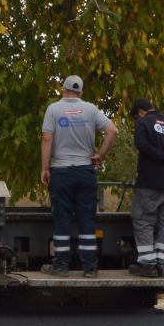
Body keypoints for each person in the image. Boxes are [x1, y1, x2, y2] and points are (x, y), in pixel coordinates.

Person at [40, 75, 118, 277]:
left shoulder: (54, 109)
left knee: (62, 219)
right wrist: (99, 155)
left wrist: (45, 168)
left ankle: (61, 266)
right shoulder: (90, 109)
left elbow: (47, 139)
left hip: (61, 172)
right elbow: (112, 130)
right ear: (81, 93)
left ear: (63, 90)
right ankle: (90, 268)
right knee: (86, 220)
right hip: (85, 171)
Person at [130, 97, 164, 277]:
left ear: (140, 112)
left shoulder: (143, 122)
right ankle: (162, 265)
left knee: (142, 218)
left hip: (151, 182)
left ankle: (147, 264)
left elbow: (142, 145)